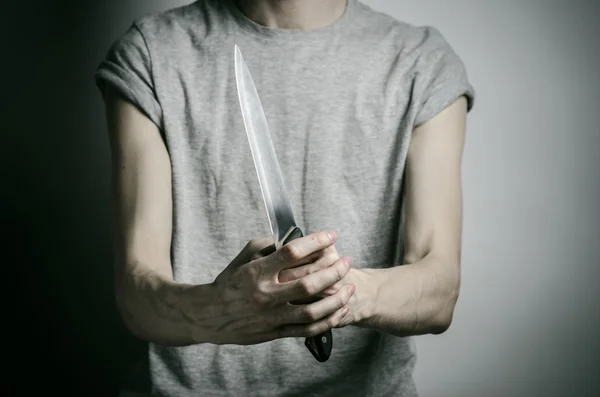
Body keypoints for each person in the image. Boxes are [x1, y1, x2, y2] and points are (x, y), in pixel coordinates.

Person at [95, 0, 475, 395]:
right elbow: (137, 296)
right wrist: (218, 309)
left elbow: (439, 291)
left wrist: (340, 295)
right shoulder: (153, 51)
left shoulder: (421, 61)